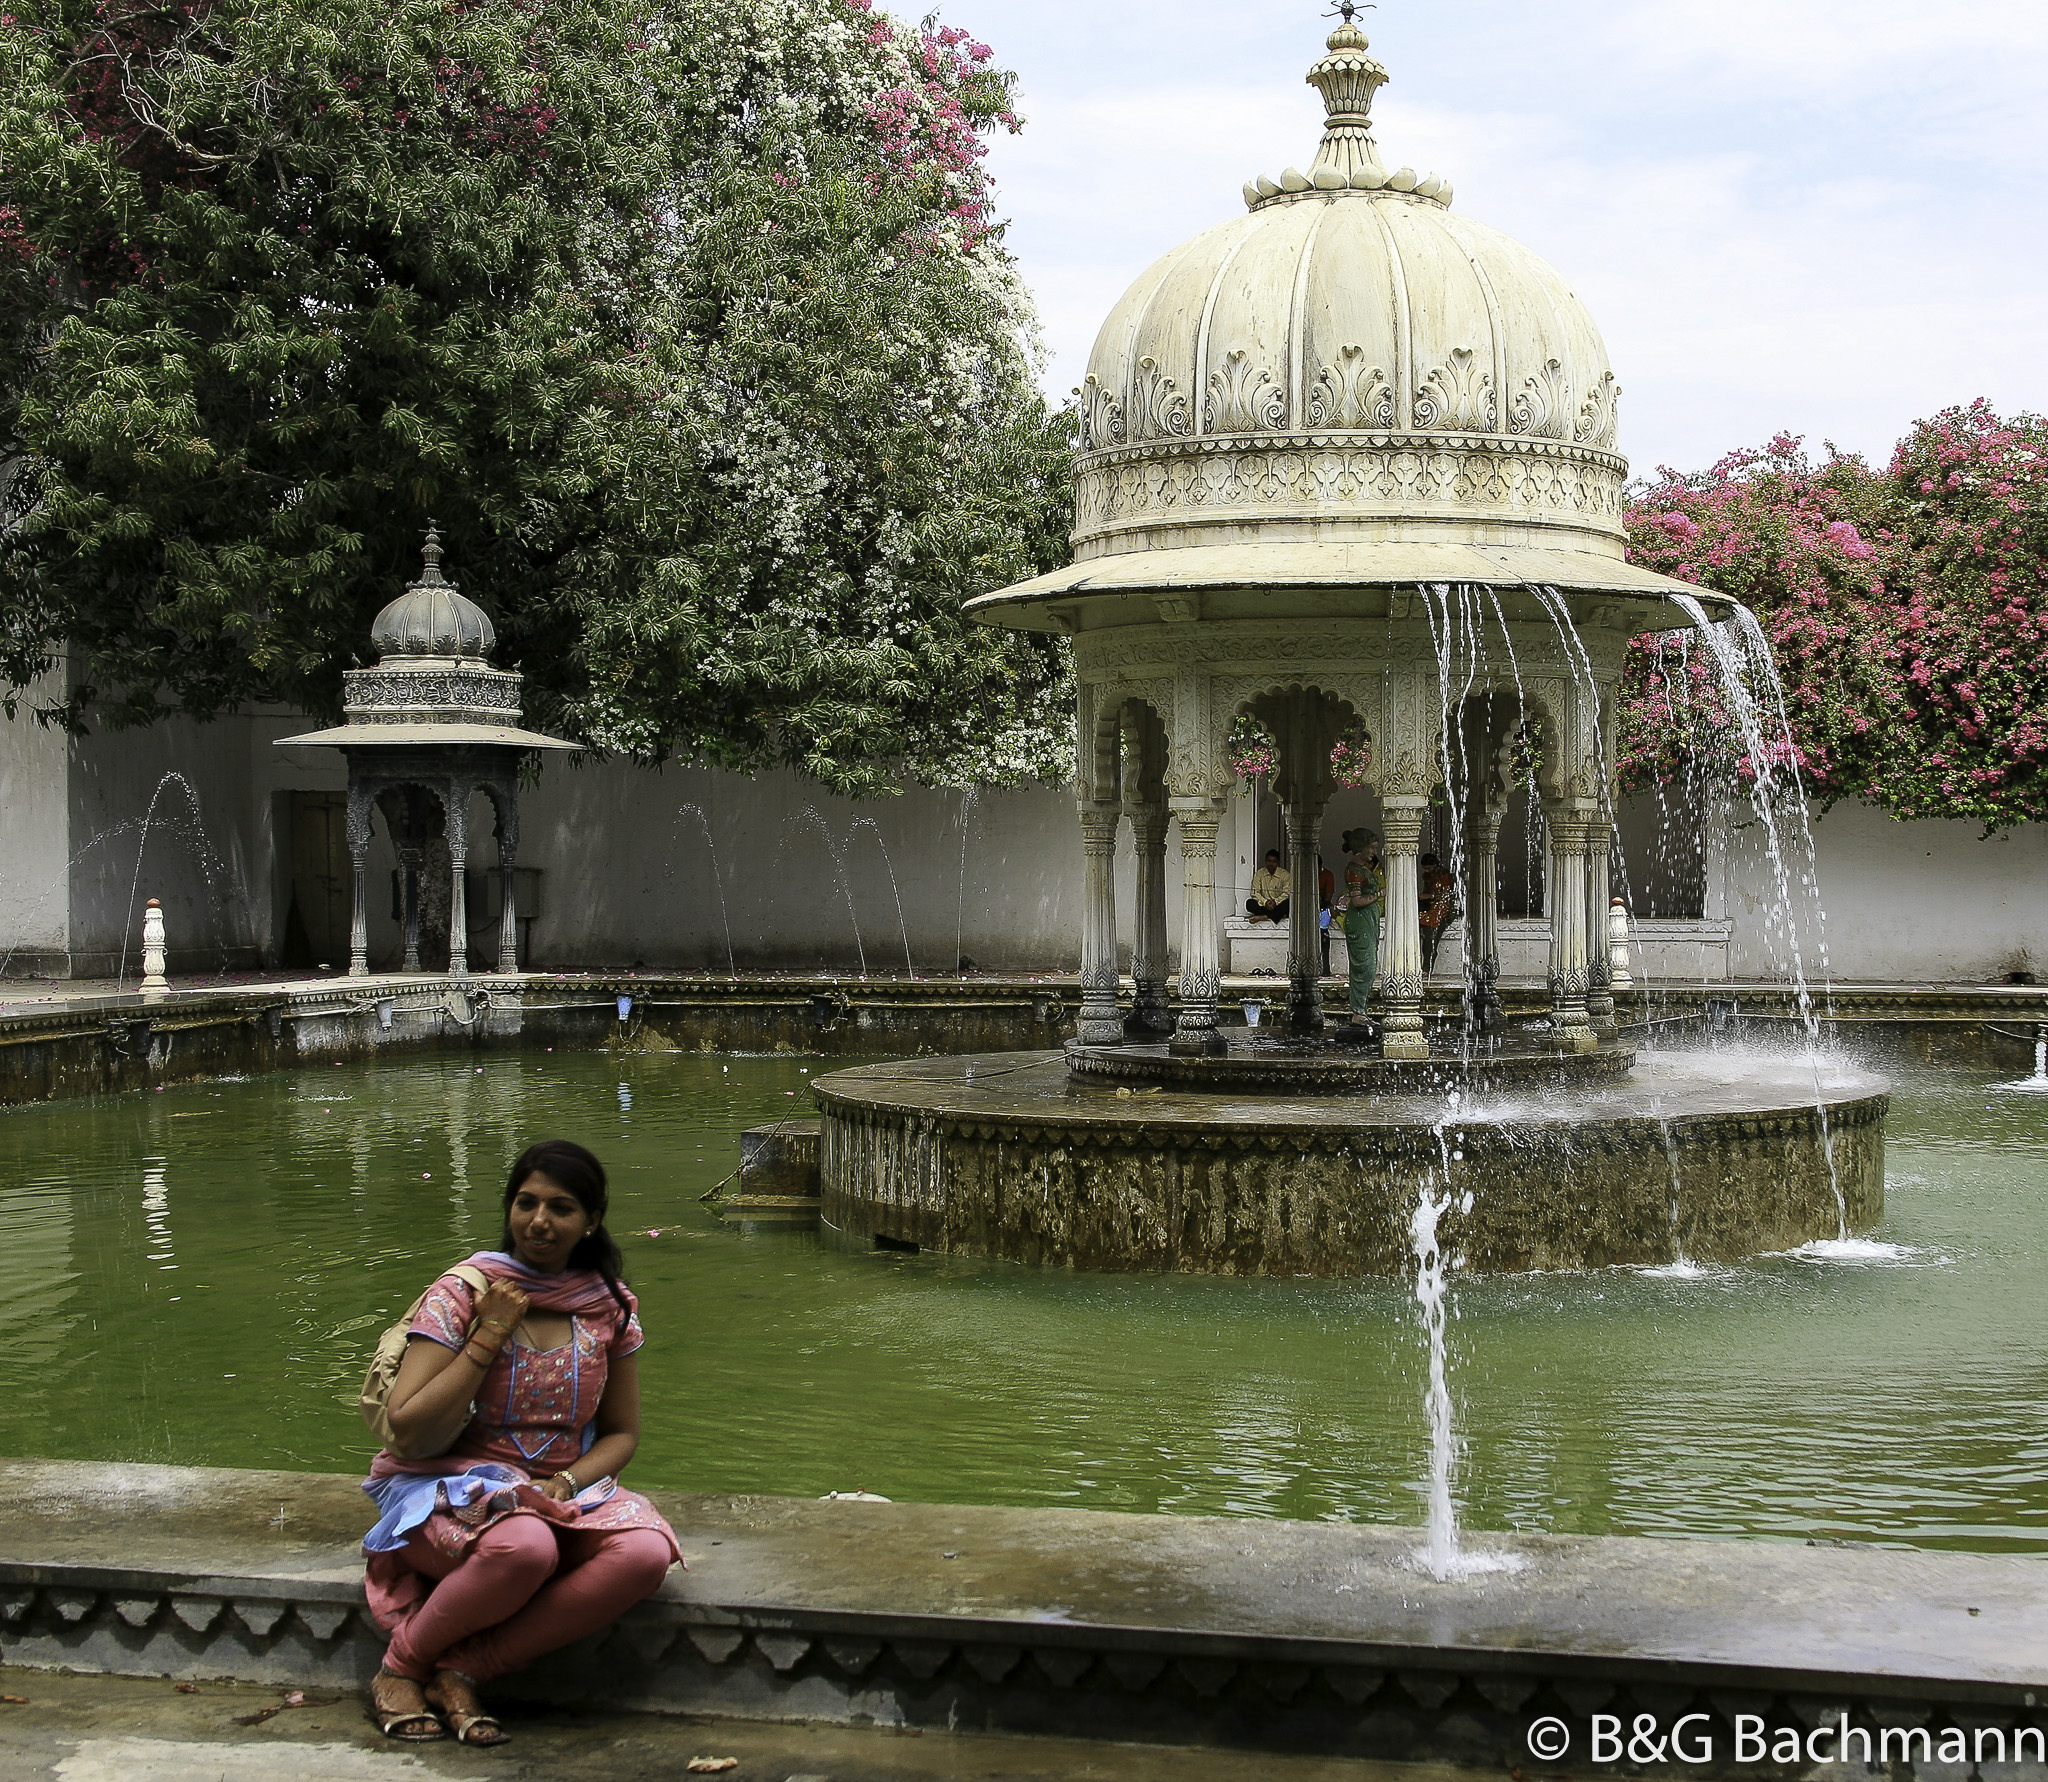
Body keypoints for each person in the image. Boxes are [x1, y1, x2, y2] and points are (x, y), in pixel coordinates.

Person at [362, 1140, 680, 1746]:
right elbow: (408, 1425)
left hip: (558, 1493)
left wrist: (565, 1483)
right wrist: (492, 1330)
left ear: (591, 1220)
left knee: (645, 1555)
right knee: (526, 1546)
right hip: (445, 1488)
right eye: (526, 1202)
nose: (539, 1221)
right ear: (508, 1209)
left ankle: (466, 1670)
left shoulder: (608, 1306)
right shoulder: (463, 1294)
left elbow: (621, 1435)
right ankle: (401, 1665)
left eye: (560, 1207)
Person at [1340, 828, 1383, 1023]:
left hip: (1368, 920)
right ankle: (1358, 1011)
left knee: (1369, 964)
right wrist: (1380, 895)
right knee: (1365, 966)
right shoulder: (1354, 870)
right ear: (1361, 847)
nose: (1374, 851)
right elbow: (1357, 901)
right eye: (1372, 847)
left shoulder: (1364, 867)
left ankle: (1362, 1010)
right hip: (1360, 920)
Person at [1418, 852, 1457, 973]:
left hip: (1444, 908)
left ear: (1434, 865)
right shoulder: (1428, 876)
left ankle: (1427, 968)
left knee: (1430, 934)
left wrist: (1430, 895)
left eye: (1429, 868)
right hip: (1430, 907)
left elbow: (1447, 895)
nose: (1428, 871)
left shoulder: (1444, 876)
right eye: (1426, 869)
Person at [1245, 849, 1291, 924]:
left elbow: (1286, 893)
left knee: (1289, 903)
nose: (1271, 863)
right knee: (1249, 903)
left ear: (1278, 863)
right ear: (1265, 861)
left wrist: (1275, 902)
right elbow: (1255, 892)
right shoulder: (1259, 874)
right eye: (1269, 861)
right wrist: (1265, 902)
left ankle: (1264, 917)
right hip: (1264, 906)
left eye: (1274, 861)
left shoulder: (1285, 875)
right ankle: (1275, 915)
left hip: (1277, 905)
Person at [1318, 856, 1337, 976]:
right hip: (1305, 907)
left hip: (1323, 906)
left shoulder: (1327, 875)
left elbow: (1328, 897)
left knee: (1323, 935)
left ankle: (1325, 968)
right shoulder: (1303, 875)